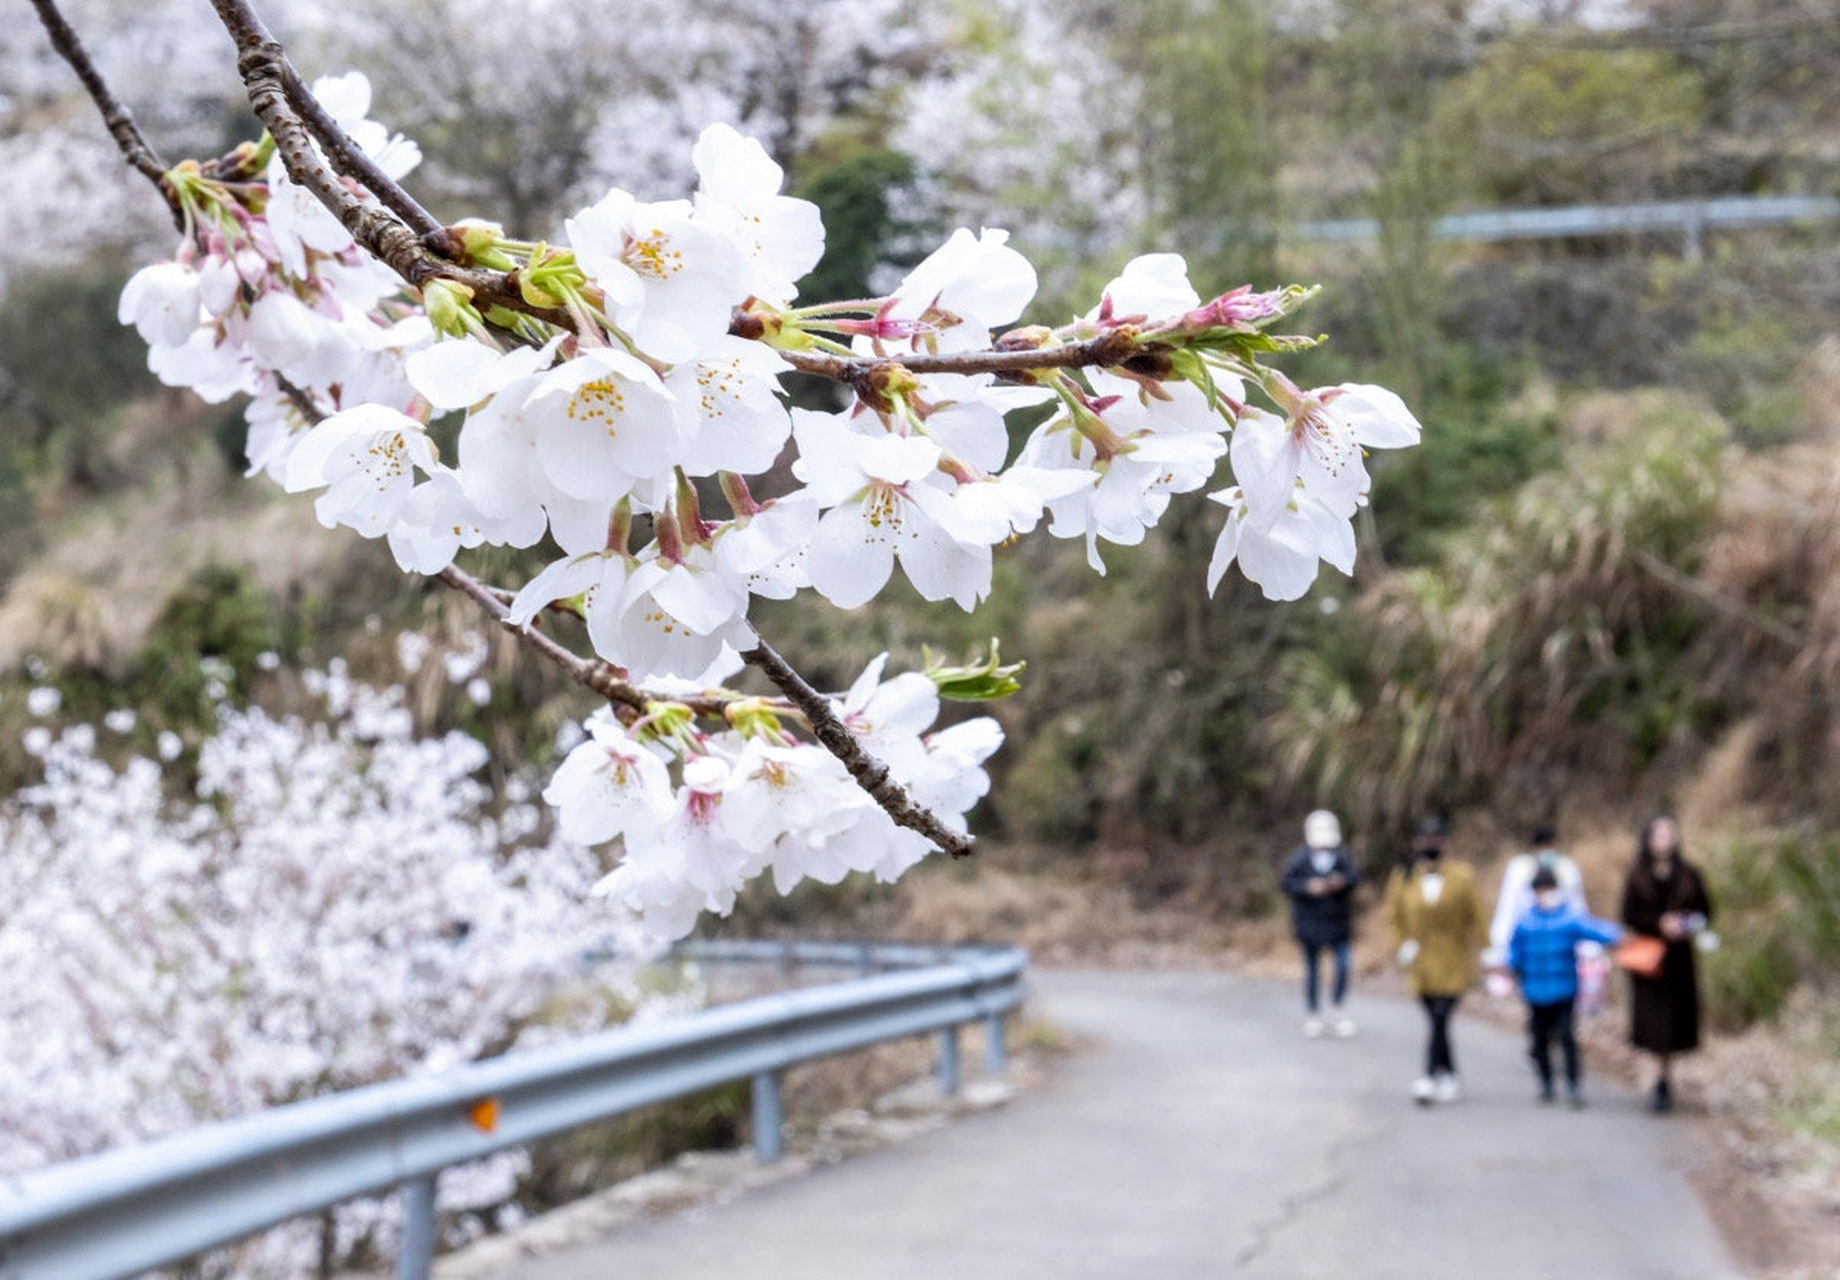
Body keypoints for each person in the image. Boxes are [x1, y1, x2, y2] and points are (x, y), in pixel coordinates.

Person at [1386, 815, 1487, 1105]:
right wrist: (1402, 944)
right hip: (1421, 962)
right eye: (1424, 838)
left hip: (1453, 959)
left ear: (1445, 842)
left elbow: (1476, 916)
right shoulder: (1403, 876)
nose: (1430, 843)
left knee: (1442, 1016)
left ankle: (1428, 1075)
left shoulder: (1463, 876)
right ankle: (1451, 1074)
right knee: (1435, 1021)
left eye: (1435, 838)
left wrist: (1488, 948)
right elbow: (1394, 917)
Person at [1619, 814, 1714, 1113]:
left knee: (1675, 1022)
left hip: (1679, 958)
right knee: (1654, 1023)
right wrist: (1659, 922)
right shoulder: (1637, 875)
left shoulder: (1690, 874)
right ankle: (1659, 1078)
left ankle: (1664, 1076)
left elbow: (1706, 911)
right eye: (1658, 834)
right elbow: (1629, 915)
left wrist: (1683, 924)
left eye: (1668, 834)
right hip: (1649, 960)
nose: (1663, 840)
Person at [1508, 866, 1622, 1107]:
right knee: (1539, 1040)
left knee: (1567, 1037)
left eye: (1548, 889)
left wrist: (1620, 937)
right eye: (1541, 890)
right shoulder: (1525, 922)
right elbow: (1514, 952)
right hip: (1535, 991)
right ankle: (1546, 1083)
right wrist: (1511, 971)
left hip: (1564, 990)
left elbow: (1594, 929)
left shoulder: (1568, 918)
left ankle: (1573, 1085)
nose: (1545, 894)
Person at [1280, 809, 1361, 1038]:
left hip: (1338, 923)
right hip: (1309, 925)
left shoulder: (1342, 856)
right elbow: (1287, 883)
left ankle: (1336, 1010)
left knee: (1343, 967)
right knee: (1313, 971)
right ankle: (1313, 1014)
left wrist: (1340, 883)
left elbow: (1355, 877)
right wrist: (1309, 887)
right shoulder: (1299, 858)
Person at [1486, 823, 1588, 969]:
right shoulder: (1519, 870)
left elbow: (1578, 908)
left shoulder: (1567, 869)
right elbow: (1507, 909)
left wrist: (1587, 947)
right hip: (1528, 943)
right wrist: (1498, 947)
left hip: (1561, 943)